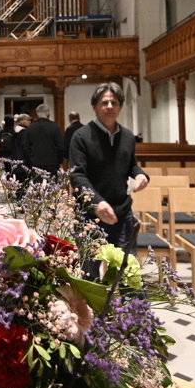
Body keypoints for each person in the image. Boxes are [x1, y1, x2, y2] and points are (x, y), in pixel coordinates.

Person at [69, 83, 149, 280]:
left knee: (127, 272)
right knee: (90, 275)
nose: (110, 106)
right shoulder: (81, 136)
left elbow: (131, 165)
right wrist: (97, 202)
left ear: (120, 107)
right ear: (95, 107)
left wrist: (140, 175)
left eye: (114, 102)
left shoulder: (128, 136)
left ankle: (128, 310)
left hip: (122, 215)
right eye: (104, 102)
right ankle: (93, 312)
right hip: (90, 217)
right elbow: (77, 175)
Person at [23, 104, 64, 178]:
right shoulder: (55, 127)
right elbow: (60, 147)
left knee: (38, 188)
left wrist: (31, 160)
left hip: (36, 164)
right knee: (52, 187)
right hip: (52, 164)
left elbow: (26, 147)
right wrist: (60, 161)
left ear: (37, 114)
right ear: (48, 114)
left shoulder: (30, 128)